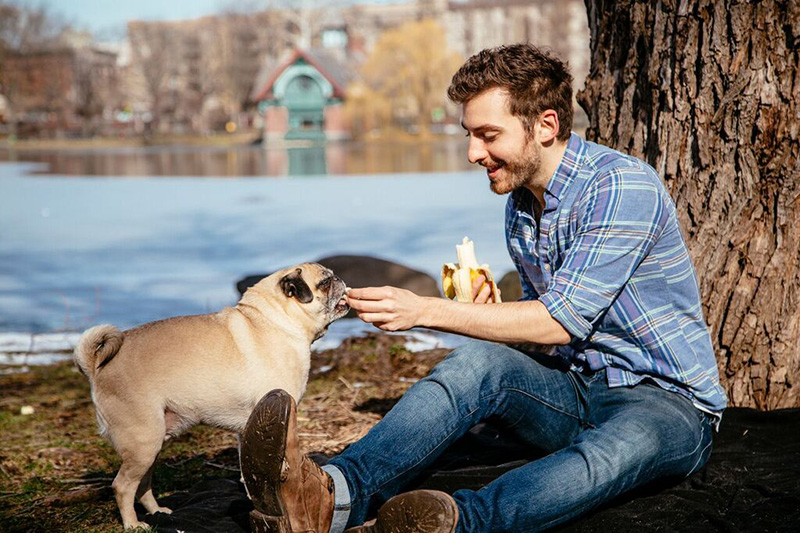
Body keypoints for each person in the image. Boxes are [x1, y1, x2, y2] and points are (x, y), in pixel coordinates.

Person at [239, 43, 728, 533]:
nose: (474, 153)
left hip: (666, 403)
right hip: (574, 389)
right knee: (476, 364)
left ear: (546, 126)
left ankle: (452, 523)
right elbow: (550, 329)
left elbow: (559, 321)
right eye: (470, 135)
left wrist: (425, 310)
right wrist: (498, 316)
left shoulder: (621, 186)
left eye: (488, 135)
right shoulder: (522, 205)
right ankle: (332, 496)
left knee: (613, 453)